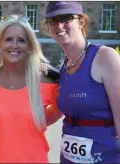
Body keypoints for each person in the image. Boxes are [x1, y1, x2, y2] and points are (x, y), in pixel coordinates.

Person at [0, 15, 62, 163]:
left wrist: (34, 119)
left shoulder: (45, 81)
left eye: (21, 40)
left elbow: (59, 110)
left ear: (29, 46)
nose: (14, 45)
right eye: (8, 39)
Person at [42, 1, 120, 163]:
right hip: (69, 158)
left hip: (106, 157)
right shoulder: (64, 68)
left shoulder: (105, 57)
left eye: (66, 18)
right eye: (53, 20)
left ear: (81, 21)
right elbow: (55, 113)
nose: (59, 25)